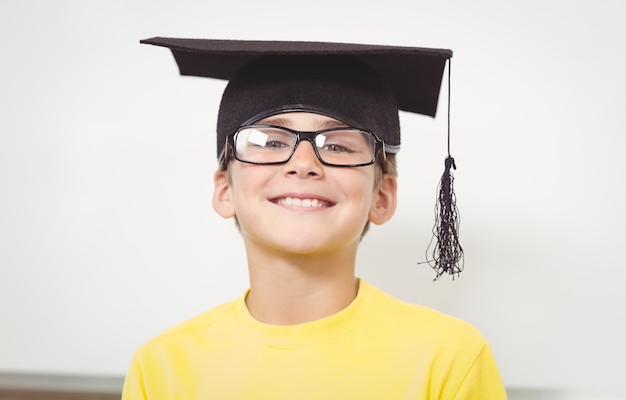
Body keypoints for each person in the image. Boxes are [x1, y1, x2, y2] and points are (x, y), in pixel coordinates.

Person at [122, 38, 507, 399]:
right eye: (271, 141)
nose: (303, 164)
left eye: (338, 146)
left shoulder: (449, 360)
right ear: (225, 191)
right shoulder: (162, 368)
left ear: (382, 197)